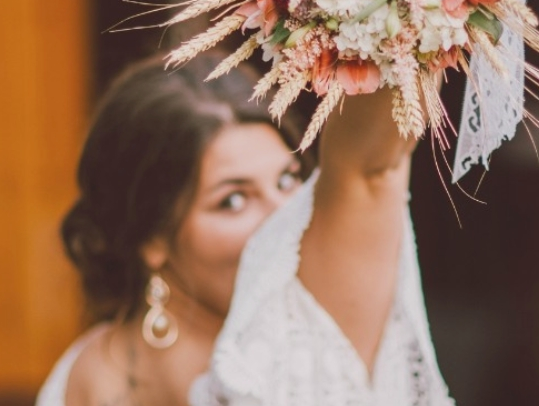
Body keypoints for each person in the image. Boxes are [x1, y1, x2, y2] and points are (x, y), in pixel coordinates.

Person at [36, 51, 454, 405]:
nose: (284, 215)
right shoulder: (293, 349)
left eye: (288, 180)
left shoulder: (86, 368)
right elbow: (370, 168)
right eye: (233, 200)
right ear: (151, 238)